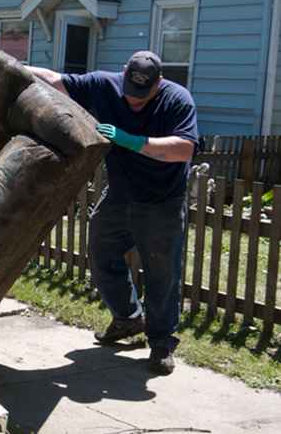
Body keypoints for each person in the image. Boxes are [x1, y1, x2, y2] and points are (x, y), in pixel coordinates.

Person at [26, 51, 198, 375]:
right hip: (120, 195)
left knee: (162, 273)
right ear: (123, 74)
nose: (134, 102)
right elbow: (54, 80)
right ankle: (127, 318)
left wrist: (133, 141)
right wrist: (8, 64)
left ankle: (161, 343)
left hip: (162, 201)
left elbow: (185, 148)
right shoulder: (104, 85)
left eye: (143, 96)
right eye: (130, 95)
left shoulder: (177, 100)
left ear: (159, 83)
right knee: (101, 252)